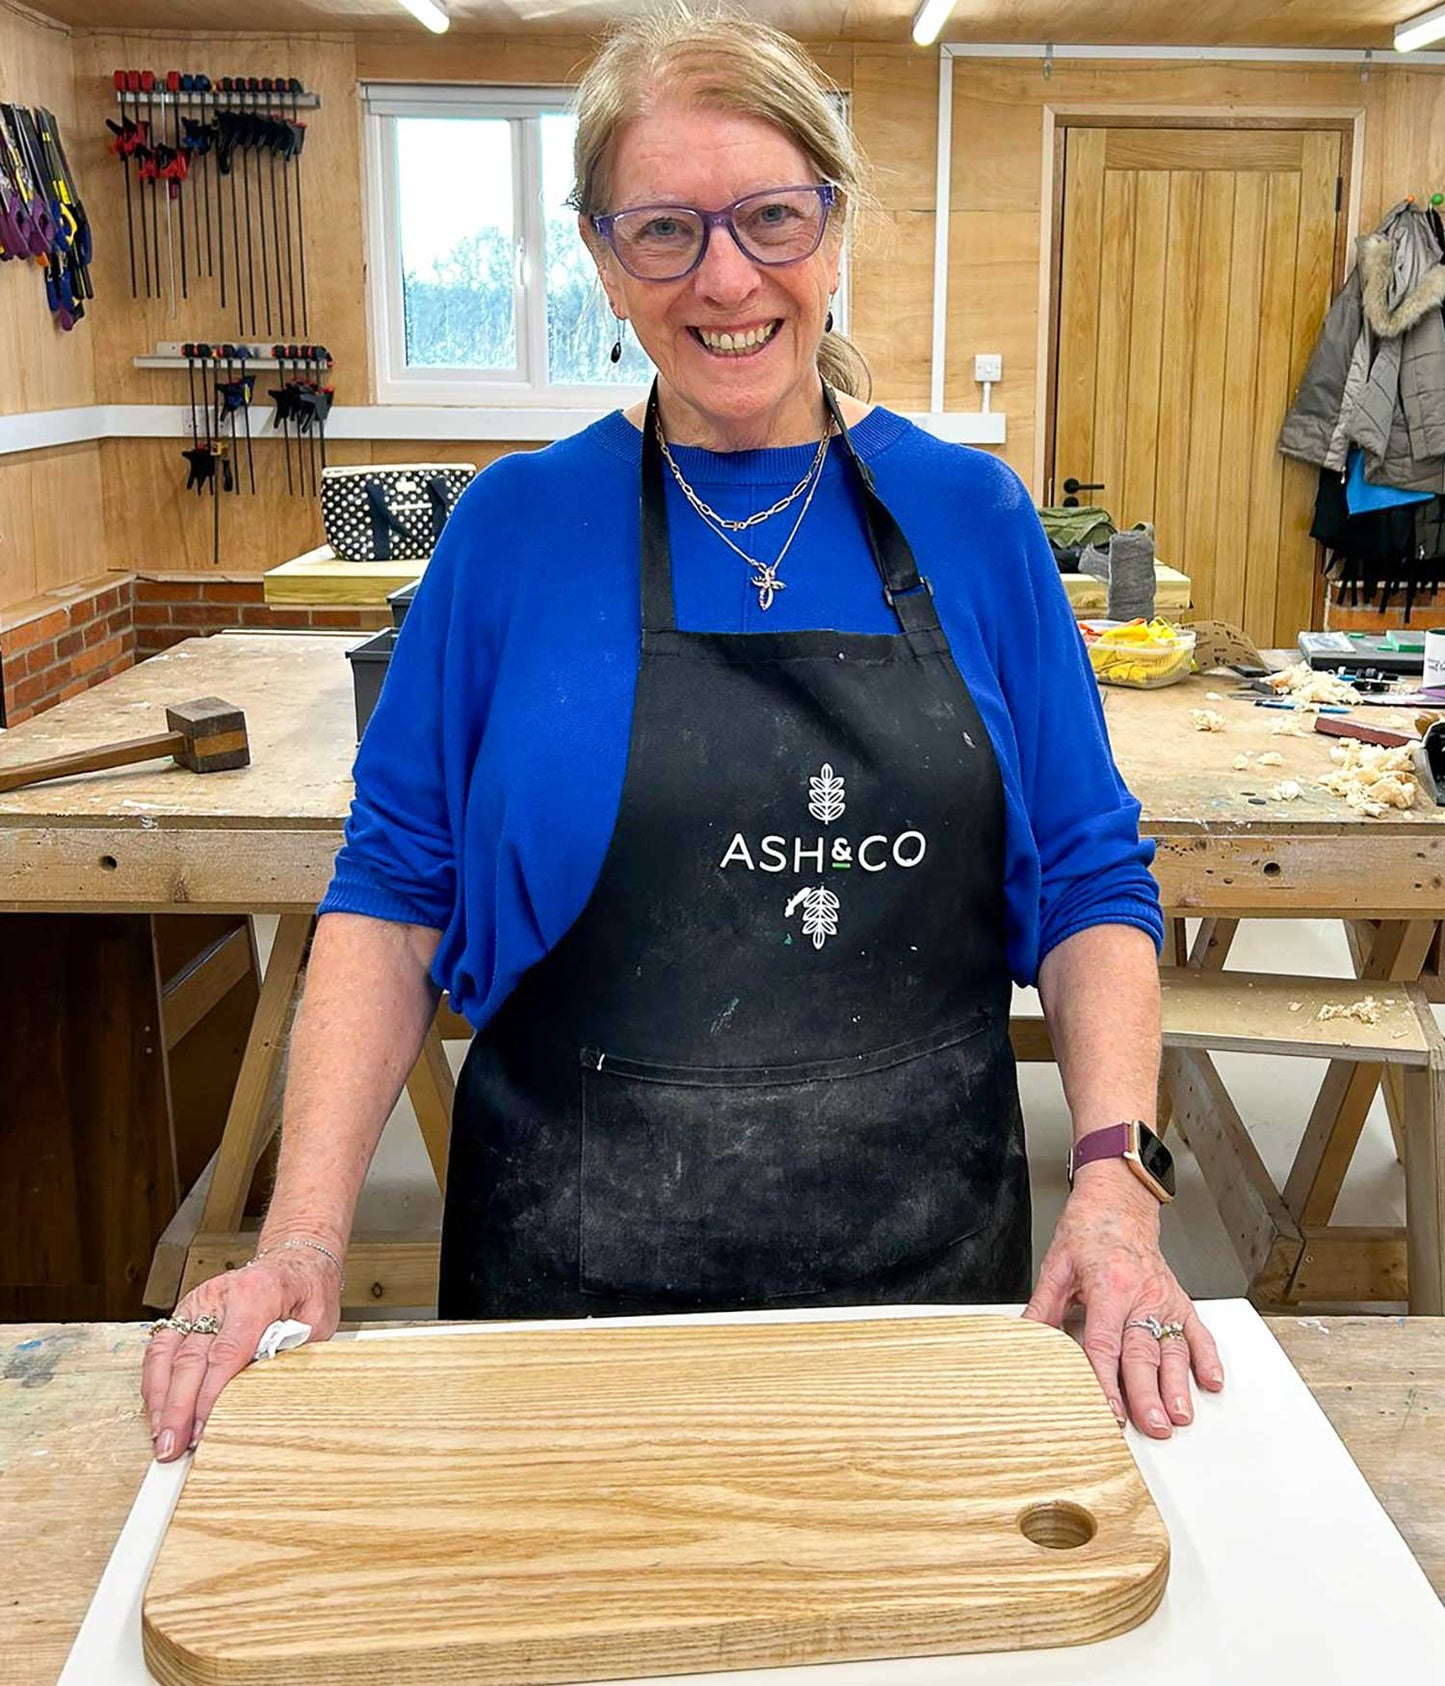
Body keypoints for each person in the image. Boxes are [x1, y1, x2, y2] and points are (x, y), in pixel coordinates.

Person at [143, 6, 1222, 1465]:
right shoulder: (511, 532)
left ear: (835, 232)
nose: (727, 277)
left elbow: (1093, 877)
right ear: (600, 257)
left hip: (927, 1288)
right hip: (571, 1296)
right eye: (663, 230)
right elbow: (394, 900)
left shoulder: (974, 522)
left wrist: (1115, 1182)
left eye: (773, 218)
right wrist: (303, 1242)